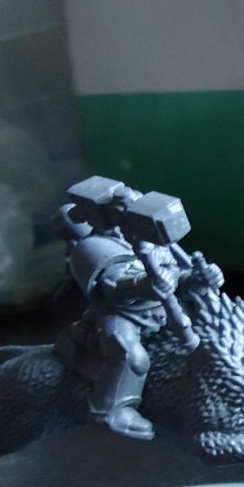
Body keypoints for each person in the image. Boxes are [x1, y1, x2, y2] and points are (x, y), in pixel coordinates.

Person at [53, 177, 200, 440]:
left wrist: (198, 278)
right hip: (124, 315)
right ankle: (112, 410)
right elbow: (111, 288)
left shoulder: (147, 238)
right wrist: (144, 285)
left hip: (163, 309)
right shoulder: (90, 248)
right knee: (131, 356)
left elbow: (179, 269)